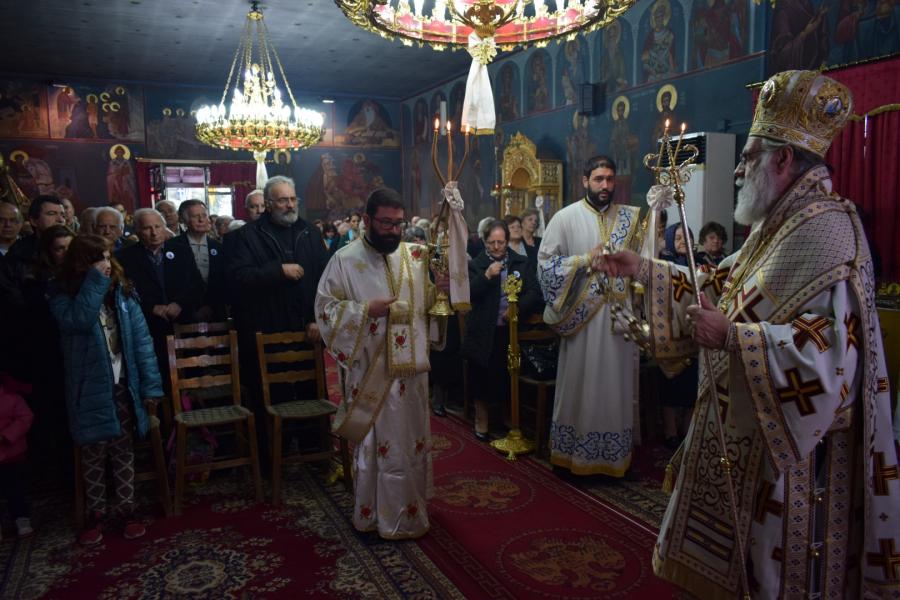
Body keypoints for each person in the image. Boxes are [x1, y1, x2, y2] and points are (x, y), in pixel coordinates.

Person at [599, 70, 899, 598]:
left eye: (749, 155)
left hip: (793, 454)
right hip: (748, 432)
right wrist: (642, 268)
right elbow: (722, 284)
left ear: (783, 160)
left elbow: (831, 360)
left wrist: (735, 339)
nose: (738, 168)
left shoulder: (828, 232)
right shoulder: (778, 225)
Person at [315, 187, 450, 540]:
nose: (393, 230)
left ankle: (411, 510)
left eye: (398, 223)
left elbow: (428, 304)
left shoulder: (415, 256)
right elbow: (325, 310)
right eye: (386, 223)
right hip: (370, 372)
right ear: (368, 219)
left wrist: (441, 290)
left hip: (411, 376)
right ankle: (373, 515)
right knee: (377, 446)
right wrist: (364, 311)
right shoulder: (344, 260)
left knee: (410, 442)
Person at [50, 235, 164, 545]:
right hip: (88, 387)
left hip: (123, 383)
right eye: (95, 259)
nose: (104, 264)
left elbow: (142, 343)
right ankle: (96, 512)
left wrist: (151, 386)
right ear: (81, 263)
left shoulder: (123, 293)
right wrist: (94, 282)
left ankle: (127, 509)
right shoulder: (62, 294)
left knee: (123, 448)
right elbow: (78, 320)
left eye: (106, 257)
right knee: (93, 450)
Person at [537, 155, 642, 477]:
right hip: (582, 322)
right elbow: (545, 267)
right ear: (585, 181)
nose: (605, 185)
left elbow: (643, 263)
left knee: (616, 389)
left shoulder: (629, 218)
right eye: (598, 179)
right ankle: (573, 458)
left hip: (620, 319)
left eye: (609, 179)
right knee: (580, 385)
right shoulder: (565, 218)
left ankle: (613, 459)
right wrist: (584, 260)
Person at [461, 219, 542, 440]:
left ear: (507, 241)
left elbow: (534, 292)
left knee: (508, 373)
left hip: (511, 331)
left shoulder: (521, 262)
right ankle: (481, 418)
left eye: (501, 242)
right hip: (482, 330)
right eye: (491, 243)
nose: (496, 247)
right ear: (484, 242)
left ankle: (507, 416)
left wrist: (517, 309)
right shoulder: (475, 264)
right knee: (481, 371)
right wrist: (487, 276)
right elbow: (468, 294)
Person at [116, 208, 205, 378]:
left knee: (191, 376)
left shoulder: (182, 251)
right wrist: (151, 308)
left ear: (165, 228)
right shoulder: (125, 257)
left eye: (158, 226)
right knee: (157, 377)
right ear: (137, 231)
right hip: (148, 328)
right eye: (147, 228)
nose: (154, 232)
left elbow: (197, 285)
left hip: (182, 323)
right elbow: (123, 294)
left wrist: (179, 303)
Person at [657, 223, 698, 449]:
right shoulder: (664, 265)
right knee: (671, 385)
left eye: (687, 237)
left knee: (691, 385)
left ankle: (687, 431)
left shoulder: (698, 264)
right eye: (679, 237)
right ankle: (670, 431)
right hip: (670, 332)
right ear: (671, 240)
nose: (683, 241)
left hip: (692, 333)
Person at [171, 200, 226, 322]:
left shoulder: (218, 247)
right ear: (184, 220)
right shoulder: (172, 246)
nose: (201, 220)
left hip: (215, 311)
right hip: (183, 312)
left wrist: (210, 306)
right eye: (195, 216)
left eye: (204, 215)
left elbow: (222, 281)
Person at [0, 373, 35, 540]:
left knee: (15, 489)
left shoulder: (12, 396)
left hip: (11, 453)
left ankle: (21, 518)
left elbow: (26, 417)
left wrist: (6, 435)